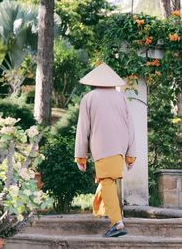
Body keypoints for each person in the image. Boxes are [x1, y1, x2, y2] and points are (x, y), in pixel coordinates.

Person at [74, 62, 136, 238]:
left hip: (101, 148)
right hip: (119, 148)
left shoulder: (89, 98)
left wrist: (80, 156)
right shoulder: (121, 98)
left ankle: (117, 223)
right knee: (107, 181)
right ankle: (104, 210)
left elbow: (83, 128)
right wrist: (130, 155)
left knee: (106, 181)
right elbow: (130, 127)